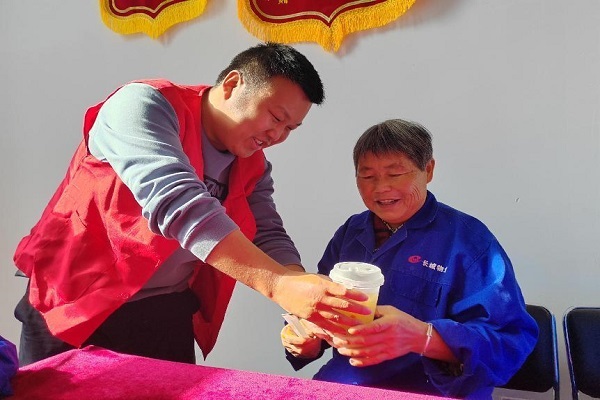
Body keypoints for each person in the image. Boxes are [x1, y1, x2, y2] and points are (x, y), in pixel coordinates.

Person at [13, 42, 370, 366]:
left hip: (163, 307)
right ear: (232, 84)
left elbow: (266, 230)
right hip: (75, 296)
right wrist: (278, 285)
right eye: (276, 118)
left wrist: (301, 285)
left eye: (290, 128)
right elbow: (176, 201)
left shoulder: (253, 165)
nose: (277, 135)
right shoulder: (143, 105)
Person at [281, 119, 538, 399]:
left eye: (395, 174)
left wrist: (423, 337)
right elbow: (319, 307)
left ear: (428, 170)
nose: (381, 188)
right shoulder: (351, 232)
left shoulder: (470, 241)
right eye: (367, 176)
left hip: (432, 391)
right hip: (345, 385)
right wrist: (304, 339)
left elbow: (509, 341)